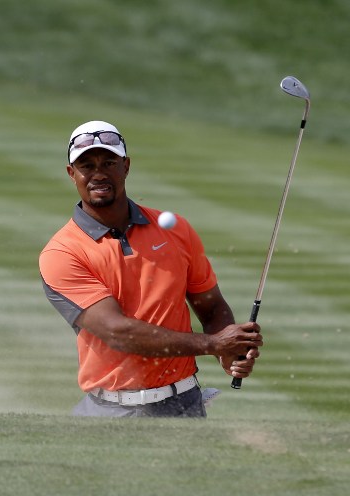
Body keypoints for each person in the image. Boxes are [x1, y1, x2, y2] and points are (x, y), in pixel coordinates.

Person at [39, 120, 263, 417]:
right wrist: (212, 343)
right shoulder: (62, 252)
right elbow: (119, 333)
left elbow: (211, 307)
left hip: (184, 404)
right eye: (86, 165)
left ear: (126, 167)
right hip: (111, 410)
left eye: (109, 162)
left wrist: (228, 351)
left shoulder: (176, 230)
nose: (98, 174)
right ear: (72, 174)